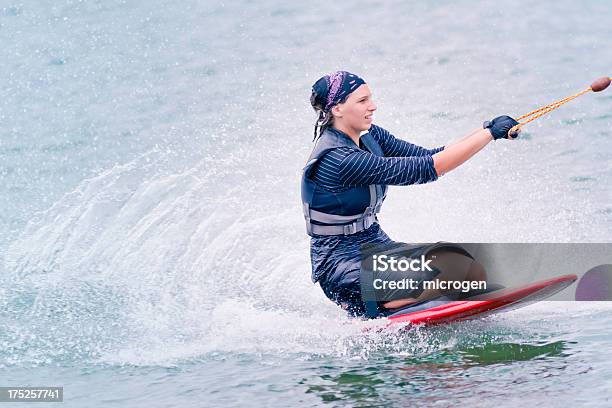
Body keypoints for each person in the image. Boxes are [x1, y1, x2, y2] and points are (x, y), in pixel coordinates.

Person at [301, 71, 520, 318]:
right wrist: (489, 134)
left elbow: (430, 155)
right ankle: (373, 310)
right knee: (451, 276)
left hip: (374, 245)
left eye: (370, 99)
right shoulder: (339, 159)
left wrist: (486, 129)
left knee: (464, 264)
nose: (372, 107)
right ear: (338, 109)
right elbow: (428, 168)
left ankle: (413, 298)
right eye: (362, 101)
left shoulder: (370, 136)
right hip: (340, 264)